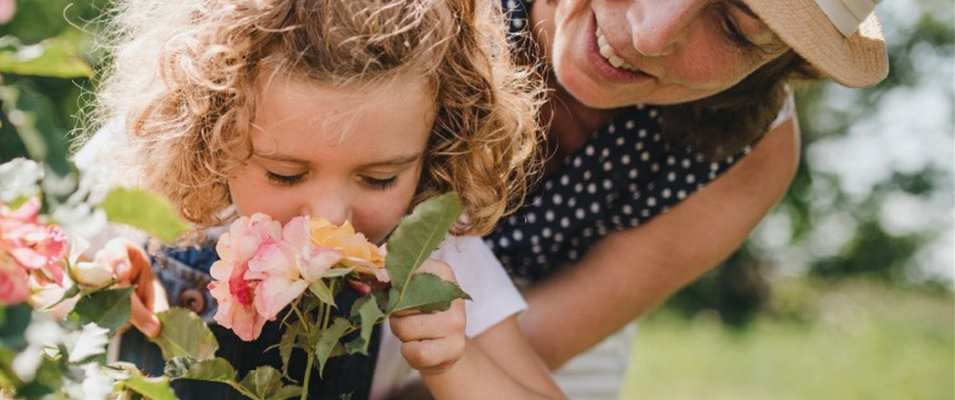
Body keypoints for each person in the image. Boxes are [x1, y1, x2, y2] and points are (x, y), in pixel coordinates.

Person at [75, 0, 567, 399]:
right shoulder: (142, 182)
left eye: (379, 179)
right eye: (285, 175)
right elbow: (21, 292)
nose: (329, 218)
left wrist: (453, 363)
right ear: (213, 131)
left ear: (437, 146)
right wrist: (88, 286)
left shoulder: (427, 251)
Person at [468, 1, 889, 399]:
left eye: (734, 28)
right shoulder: (433, 14)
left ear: (779, 61)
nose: (651, 35)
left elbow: (534, 346)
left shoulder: (751, 156)